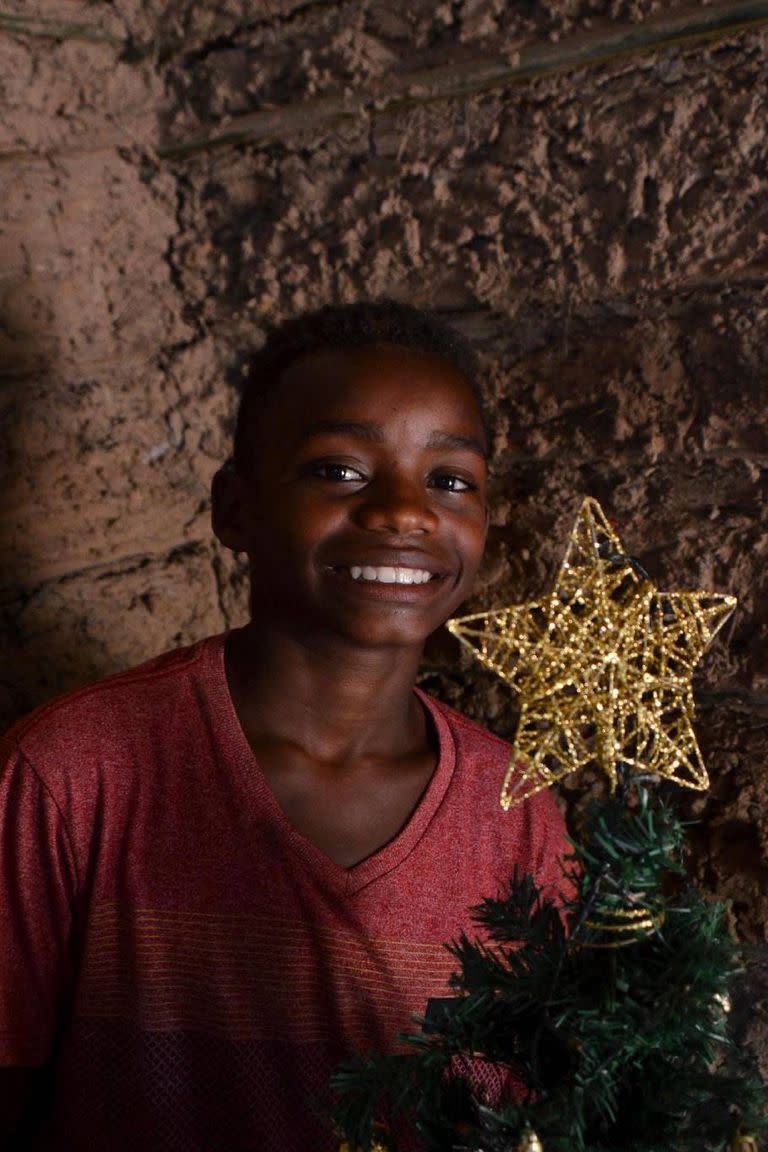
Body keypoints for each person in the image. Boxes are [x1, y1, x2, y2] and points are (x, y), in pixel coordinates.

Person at [0, 301, 570, 1151]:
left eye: (451, 480)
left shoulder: (517, 817)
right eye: (340, 470)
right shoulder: (74, 774)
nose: (405, 512)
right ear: (236, 509)